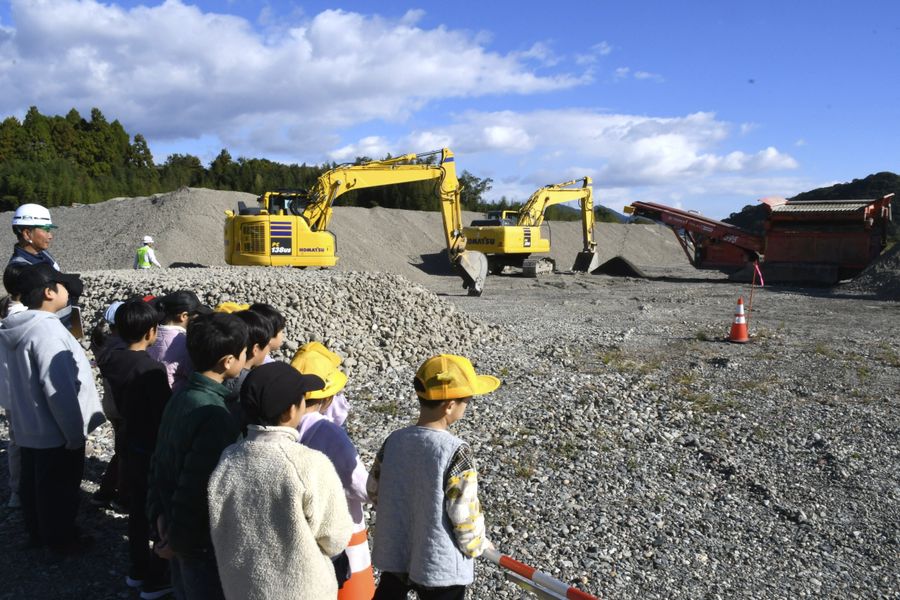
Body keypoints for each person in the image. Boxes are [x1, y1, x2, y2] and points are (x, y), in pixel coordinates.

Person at [208, 362, 353, 600]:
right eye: (302, 399)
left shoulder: (229, 458)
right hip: (300, 591)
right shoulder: (309, 463)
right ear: (289, 412)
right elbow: (334, 539)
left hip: (243, 589)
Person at [368, 354, 499, 599]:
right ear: (449, 405)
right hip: (439, 562)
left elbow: (374, 489)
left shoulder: (394, 441)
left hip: (397, 552)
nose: (468, 405)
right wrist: (477, 544)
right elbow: (462, 512)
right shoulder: (456, 451)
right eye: (467, 400)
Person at [0, 263, 105, 554]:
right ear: (48, 292)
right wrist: (73, 434)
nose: (68, 291)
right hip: (55, 431)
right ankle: (61, 542)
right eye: (63, 286)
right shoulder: (47, 331)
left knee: (35, 487)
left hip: (28, 426)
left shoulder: (16, 327)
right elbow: (58, 389)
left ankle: (38, 535)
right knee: (59, 490)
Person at [147, 312, 248, 600]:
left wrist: (158, 515)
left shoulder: (181, 396)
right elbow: (198, 487)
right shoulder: (215, 415)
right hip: (196, 538)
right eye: (243, 353)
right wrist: (177, 540)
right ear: (227, 361)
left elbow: (160, 460)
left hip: (170, 522)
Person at [97, 300, 172, 599]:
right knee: (158, 511)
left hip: (129, 439)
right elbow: (163, 413)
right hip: (150, 446)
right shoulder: (151, 369)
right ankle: (156, 577)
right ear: (151, 332)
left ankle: (137, 569)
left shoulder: (111, 358)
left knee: (137, 511)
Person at [291, 343, 375, 599]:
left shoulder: (282, 423)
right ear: (327, 398)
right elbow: (361, 486)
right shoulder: (329, 434)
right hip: (340, 536)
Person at [89, 300, 129, 509]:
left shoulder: (103, 344)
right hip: (121, 407)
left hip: (111, 404)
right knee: (124, 452)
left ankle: (108, 492)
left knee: (121, 449)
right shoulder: (120, 348)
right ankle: (114, 494)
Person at [1, 262, 28, 509]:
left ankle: (17, 491)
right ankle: (23, 490)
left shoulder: (6, 316)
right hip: (27, 393)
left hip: (9, 392)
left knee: (15, 441)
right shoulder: (25, 319)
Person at [147, 290, 212, 393]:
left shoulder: (150, 334)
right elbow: (195, 376)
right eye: (197, 314)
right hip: (173, 396)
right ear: (184, 316)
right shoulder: (185, 344)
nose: (198, 318)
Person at [8, 204, 60, 269]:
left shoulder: (42, 253)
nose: (50, 236)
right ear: (27, 234)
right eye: (46, 230)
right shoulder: (21, 269)